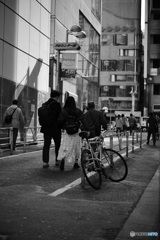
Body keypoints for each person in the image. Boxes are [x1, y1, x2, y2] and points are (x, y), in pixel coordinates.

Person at [57, 96, 83, 171]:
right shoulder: (77, 111)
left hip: (66, 131)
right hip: (76, 131)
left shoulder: (64, 110)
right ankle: (76, 162)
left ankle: (63, 160)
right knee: (76, 147)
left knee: (65, 146)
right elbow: (82, 119)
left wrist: (63, 126)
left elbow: (59, 120)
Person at [40, 90, 61, 168]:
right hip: (55, 128)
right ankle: (57, 160)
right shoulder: (57, 104)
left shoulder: (44, 104)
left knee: (46, 145)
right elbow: (59, 116)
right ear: (56, 97)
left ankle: (45, 162)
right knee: (57, 145)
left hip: (46, 128)